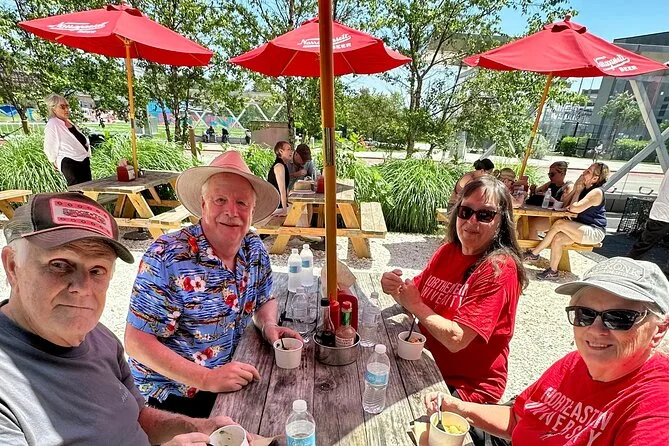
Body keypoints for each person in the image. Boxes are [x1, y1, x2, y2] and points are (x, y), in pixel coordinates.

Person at [0, 192, 237, 445]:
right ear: (13, 266)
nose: (83, 287)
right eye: (59, 264)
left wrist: (201, 426)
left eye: (97, 270)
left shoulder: (99, 336)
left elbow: (136, 417)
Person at [125, 151, 300, 418]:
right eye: (220, 200)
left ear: (252, 211)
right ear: (203, 204)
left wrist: (269, 326)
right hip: (170, 394)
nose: (232, 211)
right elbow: (136, 342)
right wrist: (207, 379)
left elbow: (264, 299)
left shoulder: (253, 249)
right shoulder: (168, 256)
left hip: (228, 374)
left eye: (242, 203)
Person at [425, 257, 669, 446]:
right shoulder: (574, 363)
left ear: (659, 330)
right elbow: (518, 419)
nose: (596, 329)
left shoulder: (656, 405)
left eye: (619, 318)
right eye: (585, 314)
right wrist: (459, 407)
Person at [381, 176, 527, 444]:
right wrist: (394, 287)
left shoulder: (499, 269)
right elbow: (413, 295)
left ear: (501, 221)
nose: (472, 221)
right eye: (466, 211)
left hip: (464, 388)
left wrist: (414, 304)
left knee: (396, 431)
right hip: (424, 363)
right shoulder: (449, 251)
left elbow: (457, 338)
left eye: (485, 215)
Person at [525, 162, 610, 280]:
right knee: (558, 238)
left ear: (595, 178)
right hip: (580, 227)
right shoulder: (584, 189)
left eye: (588, 172)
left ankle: (534, 253)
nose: (584, 173)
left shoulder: (596, 192)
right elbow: (565, 204)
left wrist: (578, 191)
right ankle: (552, 271)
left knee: (560, 224)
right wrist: (576, 189)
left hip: (594, 231)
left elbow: (574, 209)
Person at [43, 93, 92, 186]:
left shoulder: (68, 122)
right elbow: (50, 146)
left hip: (83, 160)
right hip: (70, 162)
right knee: (77, 191)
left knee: (88, 189)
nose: (66, 109)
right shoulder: (53, 124)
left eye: (67, 106)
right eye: (62, 107)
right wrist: (53, 161)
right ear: (53, 109)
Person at [628, 168, 669, 274]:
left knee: (643, 244)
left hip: (661, 211)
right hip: (663, 212)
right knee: (644, 244)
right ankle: (628, 264)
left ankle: (628, 265)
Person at [267, 140, 293, 217]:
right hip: (276, 207)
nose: (291, 152)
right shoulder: (279, 166)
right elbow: (282, 190)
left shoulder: (282, 165)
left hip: (278, 206)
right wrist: (284, 210)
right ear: (281, 151)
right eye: (288, 149)